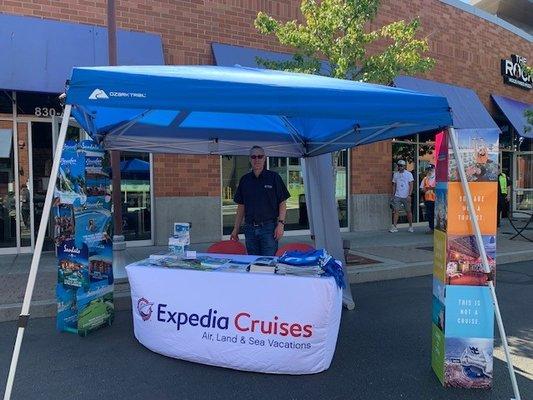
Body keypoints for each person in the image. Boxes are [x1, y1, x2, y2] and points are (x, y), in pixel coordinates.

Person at [230, 146, 290, 256]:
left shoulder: (274, 177)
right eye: (253, 157)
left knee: (269, 264)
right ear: (250, 159)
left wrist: (281, 225)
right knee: (253, 263)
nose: (256, 159)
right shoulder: (245, 180)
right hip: (249, 229)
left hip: (269, 229)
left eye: (260, 156)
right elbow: (241, 207)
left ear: (264, 158)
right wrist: (236, 229)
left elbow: (282, 203)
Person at [390, 160, 414, 233]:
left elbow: (411, 185)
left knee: (408, 211)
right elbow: (394, 185)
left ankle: (410, 226)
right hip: (397, 195)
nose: (400, 167)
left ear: (404, 166)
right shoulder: (395, 174)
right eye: (399, 165)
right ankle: (394, 227)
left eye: (401, 165)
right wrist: (393, 195)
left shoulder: (409, 174)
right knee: (396, 211)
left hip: (406, 195)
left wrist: (409, 195)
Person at [420, 164, 436, 233]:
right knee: (430, 215)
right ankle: (431, 228)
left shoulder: (437, 177)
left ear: (434, 169)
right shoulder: (425, 178)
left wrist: (430, 188)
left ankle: (438, 229)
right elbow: (421, 189)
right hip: (428, 200)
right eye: (428, 170)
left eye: (431, 169)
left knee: (437, 215)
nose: (429, 171)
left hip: (437, 200)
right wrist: (425, 189)